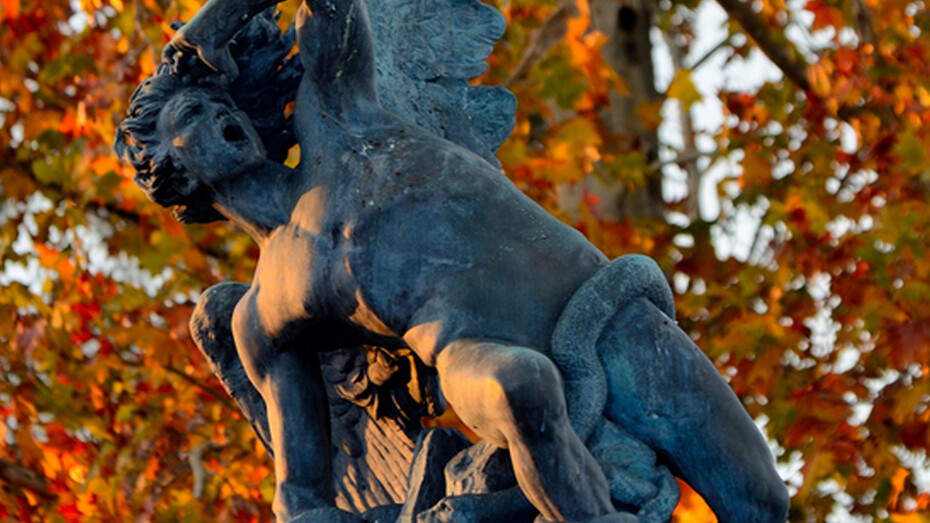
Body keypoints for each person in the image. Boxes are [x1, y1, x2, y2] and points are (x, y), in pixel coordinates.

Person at [114, 1, 789, 521]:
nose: (215, 116)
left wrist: (206, 30)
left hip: (599, 307)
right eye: (191, 114)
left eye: (215, 101)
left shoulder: (340, 120)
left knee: (761, 499)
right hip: (475, 354)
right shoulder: (265, 313)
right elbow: (302, 492)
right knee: (522, 384)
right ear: (169, 171)